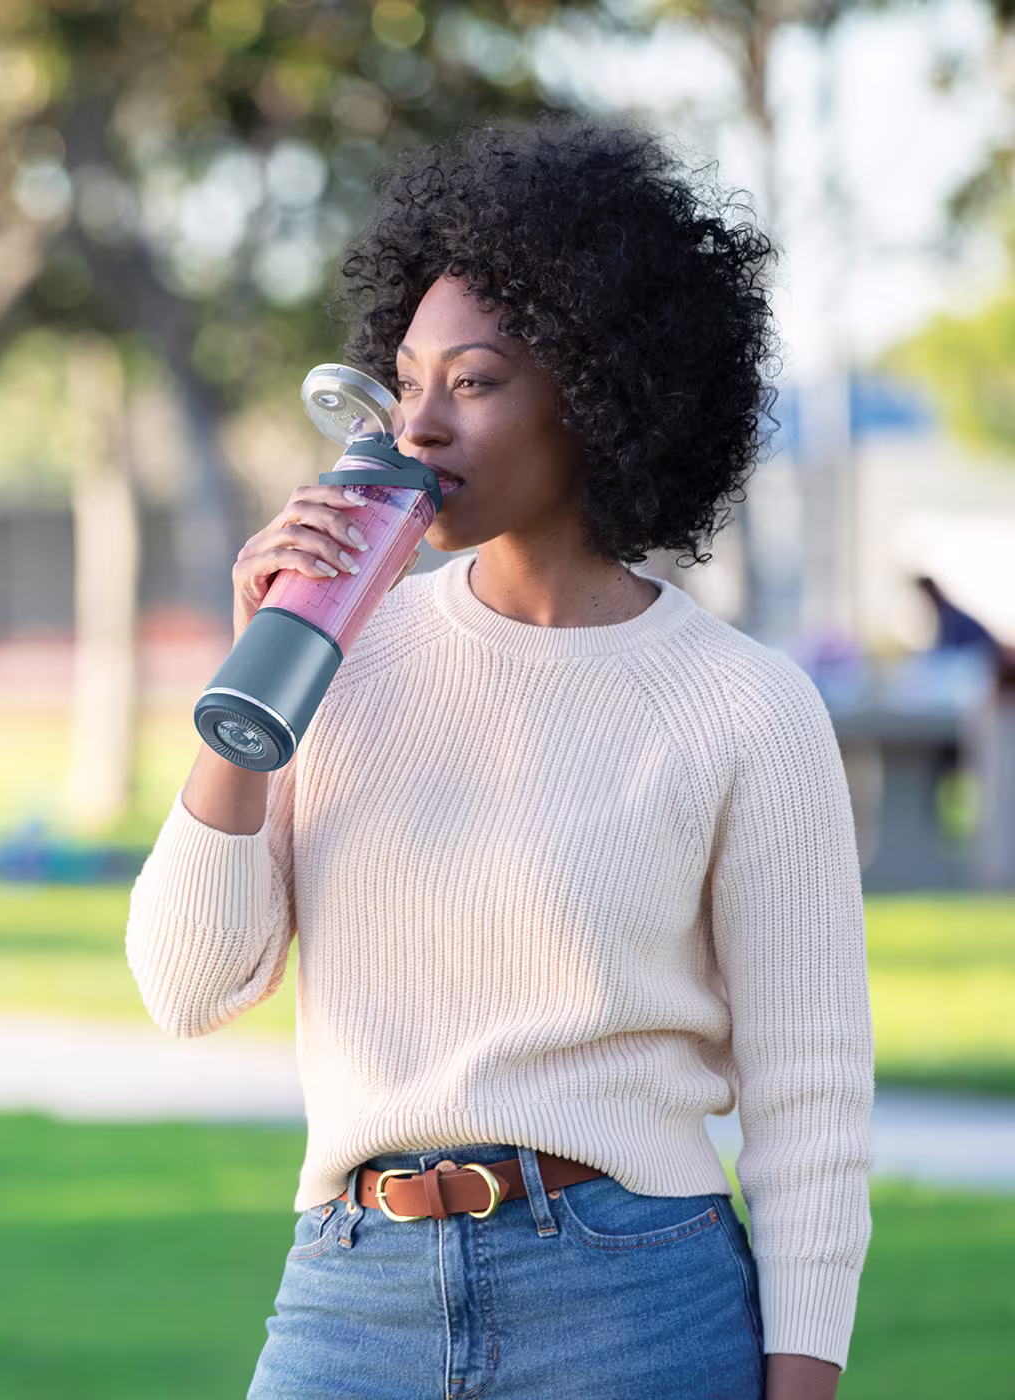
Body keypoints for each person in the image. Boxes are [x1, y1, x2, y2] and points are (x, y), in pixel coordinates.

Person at [126, 114, 872, 1400]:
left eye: (471, 382)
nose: (415, 425)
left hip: (629, 1302)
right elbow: (187, 985)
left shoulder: (744, 707)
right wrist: (254, 680)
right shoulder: (338, 652)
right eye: (404, 379)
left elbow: (808, 1100)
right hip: (349, 1292)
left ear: (593, 392)